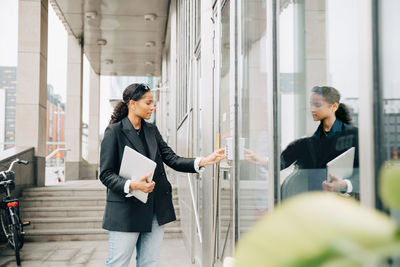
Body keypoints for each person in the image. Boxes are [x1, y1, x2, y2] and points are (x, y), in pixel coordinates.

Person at [99, 83, 226, 267]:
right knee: (118, 263)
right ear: (132, 104)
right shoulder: (114, 132)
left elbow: (172, 159)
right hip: (126, 210)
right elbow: (106, 174)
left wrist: (204, 161)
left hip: (155, 208)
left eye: (154, 103)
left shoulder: (151, 130)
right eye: (148, 102)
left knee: (150, 262)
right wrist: (133, 185)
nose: (153, 107)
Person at [244, 86, 359, 197]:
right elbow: (283, 161)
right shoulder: (310, 142)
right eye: (311, 105)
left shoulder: (354, 136)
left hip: (340, 203)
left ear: (333, 107)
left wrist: (345, 185)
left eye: (317, 105)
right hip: (311, 201)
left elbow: (365, 171)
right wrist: (260, 160)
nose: (312, 109)